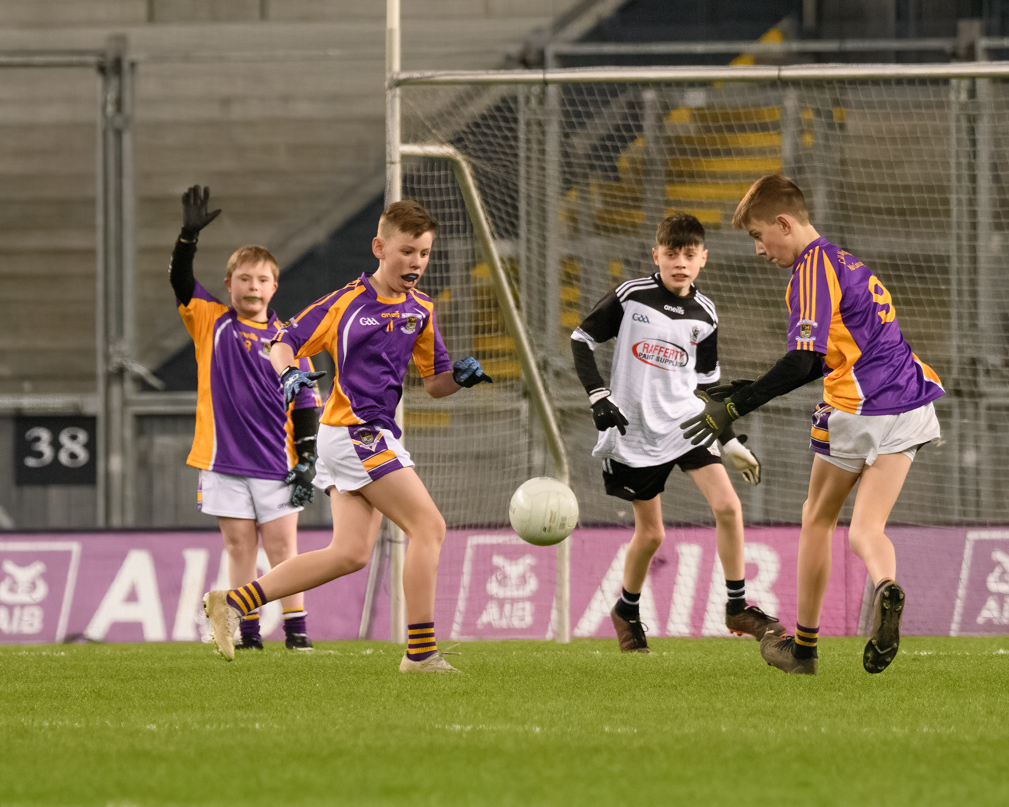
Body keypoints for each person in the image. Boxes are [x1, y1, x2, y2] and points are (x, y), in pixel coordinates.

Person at [202, 199, 493, 672]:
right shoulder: (347, 302)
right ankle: (420, 653)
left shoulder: (421, 309)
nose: (416, 262)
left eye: (423, 253)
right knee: (429, 527)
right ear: (379, 247)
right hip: (355, 431)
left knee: (350, 553)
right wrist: (288, 375)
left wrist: (460, 376)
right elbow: (285, 342)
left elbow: (435, 382)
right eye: (406, 251)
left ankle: (232, 603)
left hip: (367, 435)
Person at [682, 175, 944, 675]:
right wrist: (741, 386)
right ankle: (886, 586)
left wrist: (735, 409)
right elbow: (831, 352)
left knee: (817, 518)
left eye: (759, 235)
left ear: (784, 223)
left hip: (858, 408)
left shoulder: (810, 269)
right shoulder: (849, 264)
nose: (759, 249)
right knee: (868, 529)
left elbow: (803, 362)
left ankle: (803, 649)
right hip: (910, 401)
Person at [571, 212, 784, 654]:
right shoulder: (632, 296)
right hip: (636, 431)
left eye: (689, 255)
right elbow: (580, 339)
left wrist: (727, 441)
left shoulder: (705, 315)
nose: (680, 262)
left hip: (687, 425)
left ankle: (737, 606)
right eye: (672, 254)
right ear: (657, 255)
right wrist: (598, 395)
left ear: (703, 258)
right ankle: (626, 610)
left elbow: (706, 388)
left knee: (728, 507)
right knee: (651, 535)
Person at [171, 186, 323, 652]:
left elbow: (305, 402)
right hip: (223, 462)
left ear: (274, 287)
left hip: (278, 462)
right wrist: (187, 239)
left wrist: (309, 458)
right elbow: (179, 281)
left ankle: (297, 632)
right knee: (240, 548)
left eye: (261, 279)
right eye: (243, 278)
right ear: (229, 284)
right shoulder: (210, 321)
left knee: (283, 551)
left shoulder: (289, 338)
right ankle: (249, 632)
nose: (252, 286)